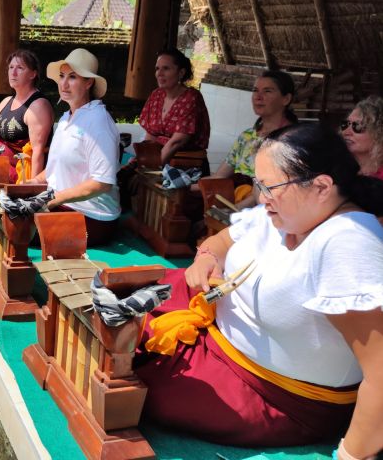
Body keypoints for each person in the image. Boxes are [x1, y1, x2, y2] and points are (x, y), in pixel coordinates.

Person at [136, 123, 383, 459]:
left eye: (270, 187)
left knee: (135, 382)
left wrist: (352, 454)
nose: (261, 198)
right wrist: (206, 259)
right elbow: (222, 240)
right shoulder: (291, 211)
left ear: (322, 187)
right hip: (210, 323)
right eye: (259, 185)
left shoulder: (348, 243)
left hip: (266, 390)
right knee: (125, 295)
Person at [28, 48, 121, 246]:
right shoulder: (65, 118)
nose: (64, 83)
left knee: (18, 230)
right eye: (62, 76)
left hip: (92, 217)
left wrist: (54, 200)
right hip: (63, 205)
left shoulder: (98, 121)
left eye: (73, 77)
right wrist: (33, 182)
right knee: (6, 213)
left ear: (89, 83)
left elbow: (102, 182)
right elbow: (55, 168)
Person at [201, 70, 297, 208]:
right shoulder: (246, 137)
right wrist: (186, 186)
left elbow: (273, 191)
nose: (258, 97)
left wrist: (232, 212)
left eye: (267, 91)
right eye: (255, 90)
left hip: (266, 210)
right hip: (237, 204)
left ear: (286, 99)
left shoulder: (291, 140)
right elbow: (219, 176)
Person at [0, 49, 53, 183]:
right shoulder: (6, 102)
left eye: (20, 68)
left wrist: (31, 188)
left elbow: (37, 152)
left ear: (33, 74)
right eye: (11, 67)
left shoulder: (38, 106)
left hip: (20, 175)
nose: (13, 72)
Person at [139, 48, 210, 167]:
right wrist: (145, 160)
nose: (159, 73)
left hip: (185, 165)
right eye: (157, 68)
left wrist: (154, 166)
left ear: (181, 73)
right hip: (158, 159)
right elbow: (150, 135)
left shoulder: (191, 97)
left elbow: (177, 141)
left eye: (166, 68)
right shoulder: (156, 95)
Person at [341, 95, 383, 180]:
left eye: (358, 126)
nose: (346, 132)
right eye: (345, 124)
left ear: (379, 133)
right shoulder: (332, 169)